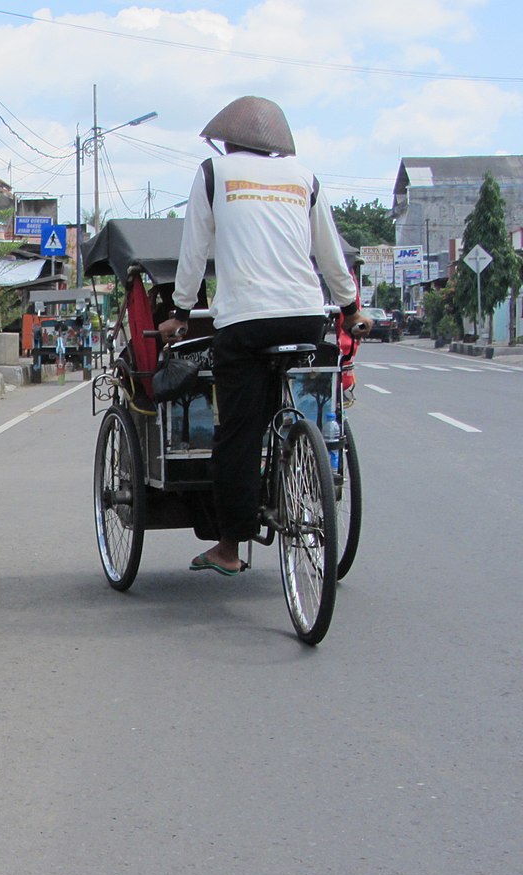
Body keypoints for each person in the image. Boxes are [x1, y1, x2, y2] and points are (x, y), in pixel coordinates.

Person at [156, 95, 370, 576]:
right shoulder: (304, 178)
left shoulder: (215, 173)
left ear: (228, 140)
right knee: (296, 402)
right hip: (306, 316)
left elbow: (194, 251)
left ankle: (230, 547)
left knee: (239, 433)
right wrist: (351, 307)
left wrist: (182, 311)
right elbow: (330, 253)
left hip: (245, 321)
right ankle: (301, 452)